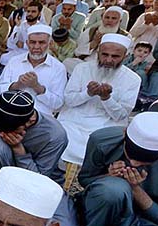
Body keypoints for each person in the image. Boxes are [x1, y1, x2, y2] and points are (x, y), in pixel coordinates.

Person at [57, 34, 141, 166]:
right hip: (75, 119)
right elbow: (69, 101)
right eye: (105, 54)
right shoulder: (81, 69)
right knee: (62, 135)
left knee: (101, 142)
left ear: (125, 56)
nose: (108, 60)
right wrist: (88, 93)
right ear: (98, 53)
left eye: (115, 56)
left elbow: (121, 115)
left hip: (106, 123)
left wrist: (106, 98)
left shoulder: (133, 79)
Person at [0, 25, 66, 116]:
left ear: (50, 43)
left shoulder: (58, 68)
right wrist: (17, 85)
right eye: (32, 42)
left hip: (40, 116)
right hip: (11, 111)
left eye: (42, 42)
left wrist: (37, 87)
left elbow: (58, 104)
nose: (36, 46)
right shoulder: (14, 61)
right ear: (27, 43)